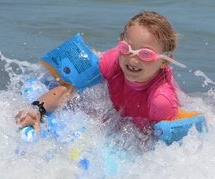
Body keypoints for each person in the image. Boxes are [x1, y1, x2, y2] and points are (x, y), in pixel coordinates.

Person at [15, 11, 180, 135]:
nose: (133, 59)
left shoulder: (161, 101)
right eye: (126, 48)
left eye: (145, 54)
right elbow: (68, 89)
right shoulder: (114, 61)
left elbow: (160, 147)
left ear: (164, 61)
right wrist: (37, 110)